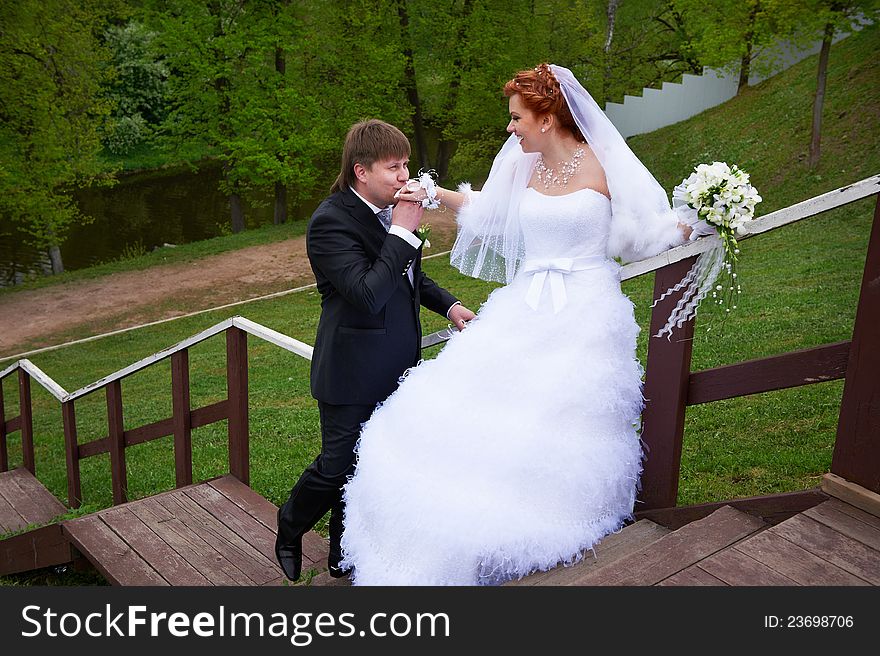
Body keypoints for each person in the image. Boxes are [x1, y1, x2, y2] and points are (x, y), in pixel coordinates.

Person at [338, 64, 694, 585]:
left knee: (556, 416)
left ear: (547, 118)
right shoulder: (525, 169)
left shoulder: (606, 166)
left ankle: (547, 510)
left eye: (516, 118)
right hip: (525, 305)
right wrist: (435, 196)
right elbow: (488, 208)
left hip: (585, 312)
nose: (510, 129)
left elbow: (644, 235)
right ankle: (454, 514)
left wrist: (706, 215)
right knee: (476, 409)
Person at [275, 119, 475, 581]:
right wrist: (403, 233)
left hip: (400, 365)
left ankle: (344, 551)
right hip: (350, 372)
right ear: (361, 171)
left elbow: (407, 278)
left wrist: (450, 306)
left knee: (374, 465)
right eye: (394, 168)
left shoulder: (391, 212)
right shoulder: (331, 222)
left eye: (406, 165)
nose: (405, 177)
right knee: (339, 464)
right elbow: (368, 293)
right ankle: (291, 524)